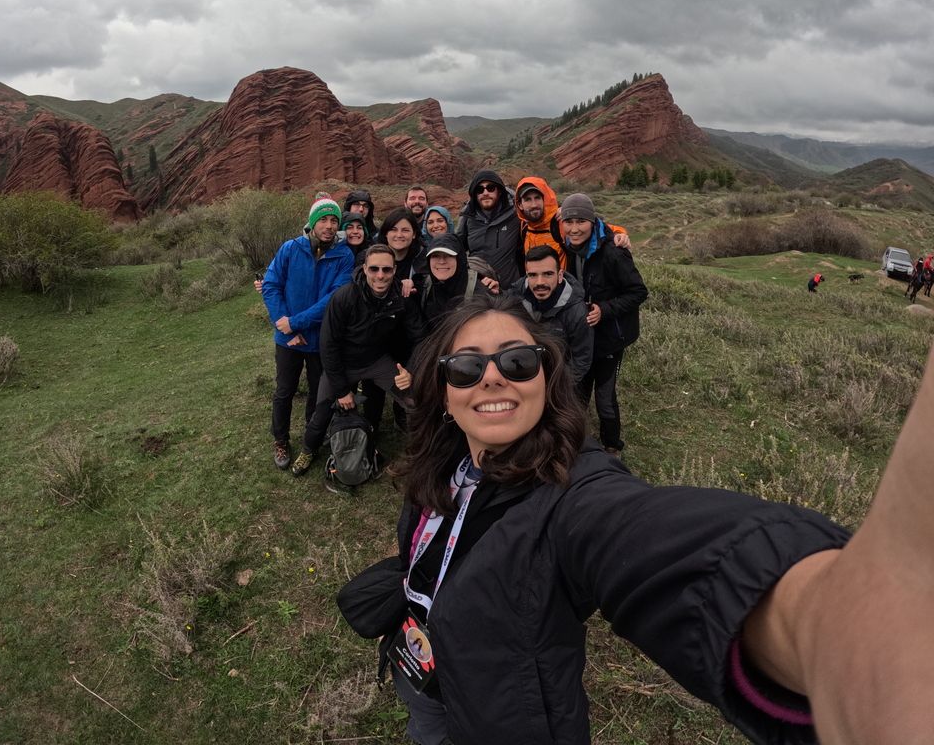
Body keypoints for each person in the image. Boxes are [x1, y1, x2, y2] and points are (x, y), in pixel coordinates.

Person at [347, 293, 934, 745]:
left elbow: (645, 539)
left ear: (546, 382)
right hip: (421, 675)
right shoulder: (443, 465)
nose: (493, 377)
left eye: (518, 361)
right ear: (445, 393)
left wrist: (832, 627)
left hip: (502, 719)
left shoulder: (573, 494)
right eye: (467, 367)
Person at [293, 244, 426, 475]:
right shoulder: (344, 297)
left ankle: (424, 449)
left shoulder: (400, 297)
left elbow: (421, 337)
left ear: (395, 270)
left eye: (386, 269)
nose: (380, 275)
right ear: (364, 269)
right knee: (322, 411)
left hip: (378, 362)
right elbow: (328, 345)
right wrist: (342, 389)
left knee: (414, 401)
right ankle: (308, 449)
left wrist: (411, 369)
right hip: (343, 364)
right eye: (374, 269)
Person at [261, 198, 354, 470]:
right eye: (323, 220)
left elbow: (332, 300)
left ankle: (311, 436)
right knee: (284, 391)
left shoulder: (343, 255)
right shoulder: (291, 249)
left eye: (333, 220)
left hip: (318, 339)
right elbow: (271, 285)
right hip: (287, 338)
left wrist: (296, 323)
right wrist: (282, 323)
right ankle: (280, 439)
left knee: (317, 391)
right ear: (312, 223)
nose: (328, 226)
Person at [560, 192, 647, 453]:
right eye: (569, 221)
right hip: (583, 335)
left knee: (605, 399)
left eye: (581, 221)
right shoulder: (568, 246)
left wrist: (604, 310)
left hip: (611, 337)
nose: (574, 228)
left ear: (592, 220)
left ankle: (612, 448)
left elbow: (638, 292)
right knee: (578, 391)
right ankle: (575, 442)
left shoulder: (613, 253)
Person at [510, 244, 593, 386]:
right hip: (522, 380)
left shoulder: (577, 312)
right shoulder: (514, 299)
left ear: (560, 276)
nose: (540, 282)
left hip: (559, 383)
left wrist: (558, 389)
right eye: (533, 275)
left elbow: (581, 360)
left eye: (548, 274)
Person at [412, 234, 495, 333]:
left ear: (459, 259)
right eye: (435, 256)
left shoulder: (480, 294)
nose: (441, 261)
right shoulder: (423, 287)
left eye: (449, 255)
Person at [456, 170, 521, 287]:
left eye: (490, 188)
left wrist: (560, 211)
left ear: (499, 191)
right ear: (475, 195)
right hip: (478, 289)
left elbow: (537, 214)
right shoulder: (468, 218)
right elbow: (456, 249)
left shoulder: (515, 214)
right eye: (480, 190)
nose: (485, 192)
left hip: (510, 291)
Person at [378, 207, 426, 285]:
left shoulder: (423, 258)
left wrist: (415, 286)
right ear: (386, 233)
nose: (399, 235)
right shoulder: (371, 256)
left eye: (405, 230)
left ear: (414, 234)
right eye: (393, 229)